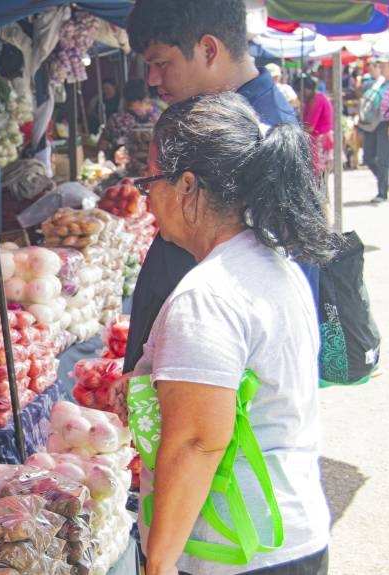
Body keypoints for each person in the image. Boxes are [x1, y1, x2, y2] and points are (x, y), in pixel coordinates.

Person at [133, 92, 334, 575]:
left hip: (232, 551)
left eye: (149, 182)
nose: (147, 200)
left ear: (186, 186)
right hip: (290, 532)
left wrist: (158, 563)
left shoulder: (206, 295)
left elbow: (198, 442)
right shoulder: (272, 264)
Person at [123, 0, 299, 374]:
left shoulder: (263, 131)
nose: (153, 80)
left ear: (208, 50)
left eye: (161, 62)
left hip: (210, 380)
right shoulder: (226, 115)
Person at [362, 54, 389, 203]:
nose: (381, 68)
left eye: (384, 65)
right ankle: (388, 178)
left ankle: (382, 193)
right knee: (367, 157)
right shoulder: (379, 82)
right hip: (373, 123)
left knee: (383, 159)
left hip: (387, 123)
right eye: (380, 65)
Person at [105, 78, 161, 149]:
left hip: (120, 158)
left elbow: (102, 144)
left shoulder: (115, 119)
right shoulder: (156, 119)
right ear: (145, 98)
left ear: (124, 98)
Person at [300, 75, 334, 176]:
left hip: (320, 139)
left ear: (308, 89)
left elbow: (310, 127)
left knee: (319, 174)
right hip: (318, 138)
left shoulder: (316, 100)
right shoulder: (314, 99)